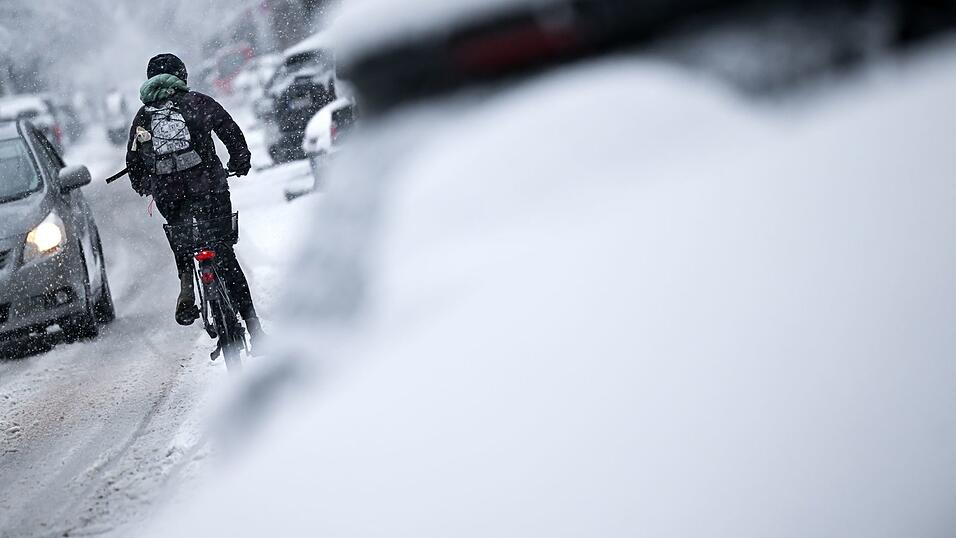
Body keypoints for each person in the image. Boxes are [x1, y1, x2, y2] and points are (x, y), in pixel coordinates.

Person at [125, 53, 265, 350]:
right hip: (210, 188)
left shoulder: (144, 116)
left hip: (169, 195)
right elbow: (230, 132)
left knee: (181, 237)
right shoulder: (199, 102)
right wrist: (240, 161)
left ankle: (186, 281)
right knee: (224, 254)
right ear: (182, 76)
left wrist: (147, 186)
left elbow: (133, 161)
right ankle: (255, 328)